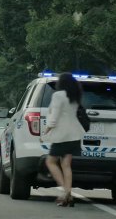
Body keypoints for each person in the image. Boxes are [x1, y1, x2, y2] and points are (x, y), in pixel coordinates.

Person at [41, 72, 84, 207]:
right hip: (74, 135)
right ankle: (68, 195)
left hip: (62, 135)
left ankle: (65, 193)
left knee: (50, 162)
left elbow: (54, 118)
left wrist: (45, 133)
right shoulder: (75, 97)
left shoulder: (58, 95)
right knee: (66, 165)